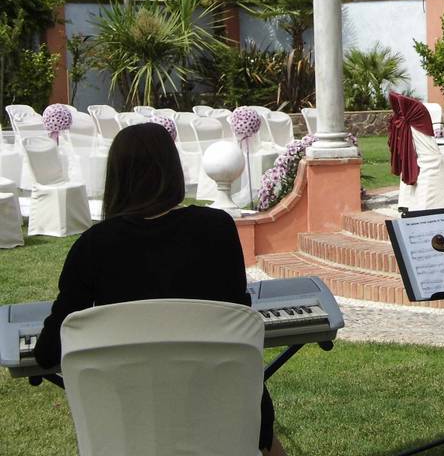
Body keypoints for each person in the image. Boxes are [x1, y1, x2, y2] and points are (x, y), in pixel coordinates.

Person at [34, 122, 285, 456]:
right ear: (173, 171)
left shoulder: (93, 246)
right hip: (219, 420)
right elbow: (236, 321)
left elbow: (47, 352)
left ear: (117, 177)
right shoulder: (217, 229)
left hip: (132, 429)